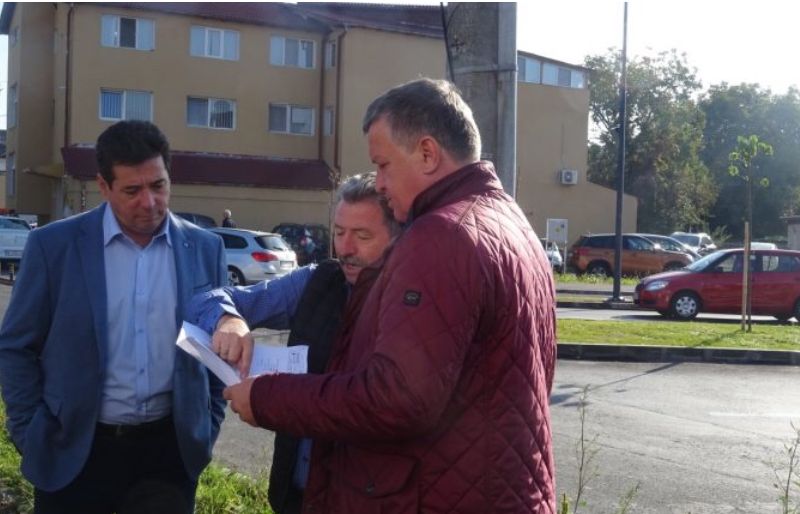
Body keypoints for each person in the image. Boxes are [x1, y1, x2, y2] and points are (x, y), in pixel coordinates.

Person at [223, 78, 557, 513]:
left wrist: (267, 398)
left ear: (427, 153)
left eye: (383, 165)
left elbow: (397, 399)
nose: (378, 183)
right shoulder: (513, 226)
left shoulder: (441, 235)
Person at [0, 120, 228, 514]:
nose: (149, 202)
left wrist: (205, 428)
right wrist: (30, 432)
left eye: (158, 186)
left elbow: (215, 349)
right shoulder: (54, 247)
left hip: (168, 457)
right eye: (132, 191)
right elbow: (16, 347)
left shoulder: (205, 249)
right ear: (104, 187)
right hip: (74, 453)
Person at [189, 172, 400, 514]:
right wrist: (228, 319)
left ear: (397, 238)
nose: (345, 249)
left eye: (362, 236)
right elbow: (207, 300)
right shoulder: (318, 282)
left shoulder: (408, 306)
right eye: (339, 233)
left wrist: (269, 399)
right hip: (295, 496)